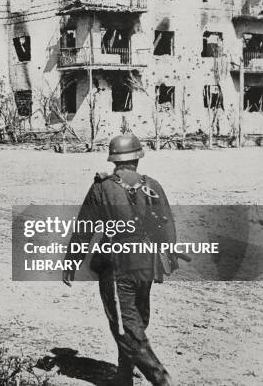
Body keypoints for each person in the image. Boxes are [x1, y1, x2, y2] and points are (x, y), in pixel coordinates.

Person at [63, 133, 177, 386]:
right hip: (146, 264)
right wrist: (166, 257)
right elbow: (167, 225)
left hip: (117, 265)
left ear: (114, 160)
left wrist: (72, 261)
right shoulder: (153, 185)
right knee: (136, 319)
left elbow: (84, 229)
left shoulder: (102, 188)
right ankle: (124, 376)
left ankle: (160, 377)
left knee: (125, 325)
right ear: (137, 158)